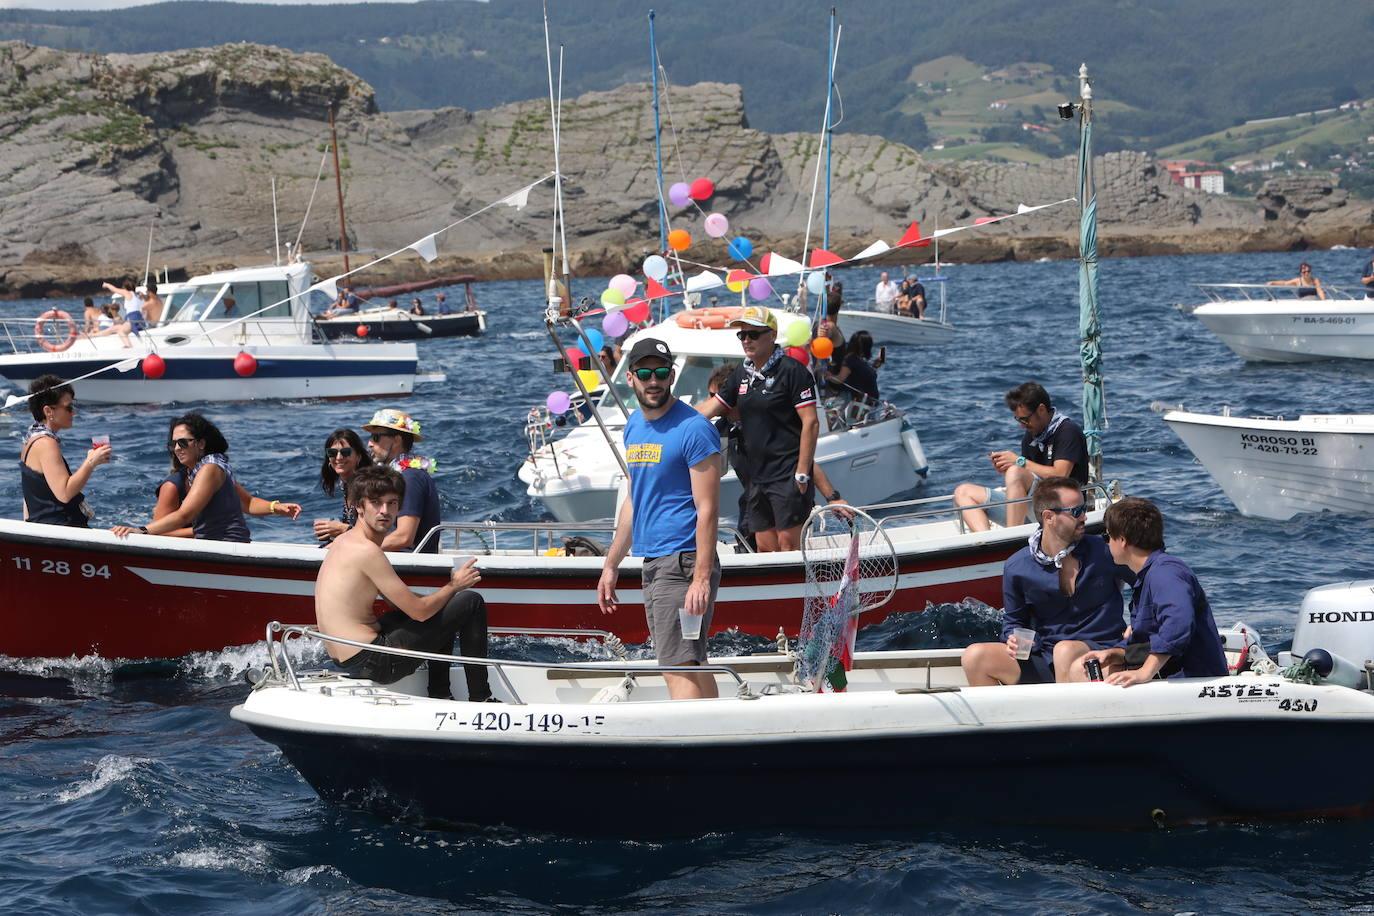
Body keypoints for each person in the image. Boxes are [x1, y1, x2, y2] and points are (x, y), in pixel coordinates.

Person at [598, 337, 722, 700]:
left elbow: (708, 508)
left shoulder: (694, 428)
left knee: (676, 665)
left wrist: (700, 578)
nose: (654, 381)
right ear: (631, 378)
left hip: (682, 562)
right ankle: (718, 727)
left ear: (672, 376)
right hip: (654, 561)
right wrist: (611, 564)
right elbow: (634, 500)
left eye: (662, 372)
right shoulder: (634, 426)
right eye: (645, 373)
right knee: (692, 661)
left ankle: (691, 735)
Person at [317, 465, 494, 702]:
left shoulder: (345, 541)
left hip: (346, 660)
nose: (385, 511)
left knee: (441, 605)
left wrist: (443, 598)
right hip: (372, 662)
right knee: (470, 601)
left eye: (391, 503)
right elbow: (420, 612)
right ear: (359, 506)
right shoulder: (368, 551)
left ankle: (441, 693)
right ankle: (482, 698)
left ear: (399, 506)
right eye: (376, 503)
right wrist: (454, 586)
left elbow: (399, 603)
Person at [961, 478, 1127, 686]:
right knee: (975, 657)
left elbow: (1146, 582)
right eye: (1076, 511)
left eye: (1084, 509)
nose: (1084, 516)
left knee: (1064, 650)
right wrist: (1014, 639)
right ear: (1049, 517)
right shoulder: (1017, 567)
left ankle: (1062, 706)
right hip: (1046, 655)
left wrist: (1137, 629)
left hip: (1102, 652)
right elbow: (1014, 622)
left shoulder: (1105, 551)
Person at [699, 307, 820, 552]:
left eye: (753, 335)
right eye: (742, 335)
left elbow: (811, 422)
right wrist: (671, 418)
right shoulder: (741, 374)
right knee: (764, 548)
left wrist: (802, 472)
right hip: (756, 478)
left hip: (787, 474)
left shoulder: (792, 371)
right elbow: (711, 408)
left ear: (772, 335)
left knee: (788, 545)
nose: (746, 340)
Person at [1079, 498, 1228, 685]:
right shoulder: (1149, 575)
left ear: (1122, 540)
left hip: (1192, 682)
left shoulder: (1165, 573)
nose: (1107, 543)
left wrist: (1144, 672)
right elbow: (1147, 637)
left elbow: (1177, 623)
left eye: (1107, 536)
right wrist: (1115, 654)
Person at [115, 413, 301, 543]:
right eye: (173, 444)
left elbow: (185, 514)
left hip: (225, 547)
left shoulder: (210, 468)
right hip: (215, 544)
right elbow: (248, 503)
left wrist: (141, 530)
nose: (177, 448)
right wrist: (275, 507)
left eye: (183, 442)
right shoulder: (206, 468)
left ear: (201, 443)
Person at [953, 382, 1089, 532]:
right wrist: (1008, 468)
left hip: (1065, 510)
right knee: (963, 492)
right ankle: (989, 541)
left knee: (1015, 472)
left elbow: (1061, 474)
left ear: (1041, 410)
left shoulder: (1068, 431)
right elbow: (1027, 474)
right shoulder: (1030, 436)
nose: (1022, 425)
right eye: (1018, 420)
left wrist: (1019, 463)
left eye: (1025, 419)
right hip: (1037, 506)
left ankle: (1012, 538)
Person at [19, 374, 109, 526]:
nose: (73, 412)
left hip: (44, 527)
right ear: (48, 411)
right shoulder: (47, 444)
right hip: (60, 527)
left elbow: (28, 497)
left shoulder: (30, 440)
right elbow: (64, 493)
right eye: (68, 407)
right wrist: (91, 463)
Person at [363, 408, 441, 553]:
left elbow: (404, 537)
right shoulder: (401, 475)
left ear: (397, 440)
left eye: (376, 437)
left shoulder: (410, 478)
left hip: (409, 563)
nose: (370, 443)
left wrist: (354, 548)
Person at [314, 428, 374, 543]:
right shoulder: (347, 485)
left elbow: (374, 534)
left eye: (345, 452)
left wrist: (343, 529)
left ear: (358, 456)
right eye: (332, 453)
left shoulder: (368, 487)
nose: (338, 458)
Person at [826, 329, 881, 404]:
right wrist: (829, 376)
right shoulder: (851, 359)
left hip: (870, 402)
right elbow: (840, 379)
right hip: (863, 403)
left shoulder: (860, 360)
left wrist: (874, 366)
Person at [100, 279, 144, 346]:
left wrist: (106, 285)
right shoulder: (137, 295)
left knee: (120, 331)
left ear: (125, 287)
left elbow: (114, 289)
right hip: (139, 318)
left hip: (132, 318)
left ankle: (128, 345)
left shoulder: (127, 293)